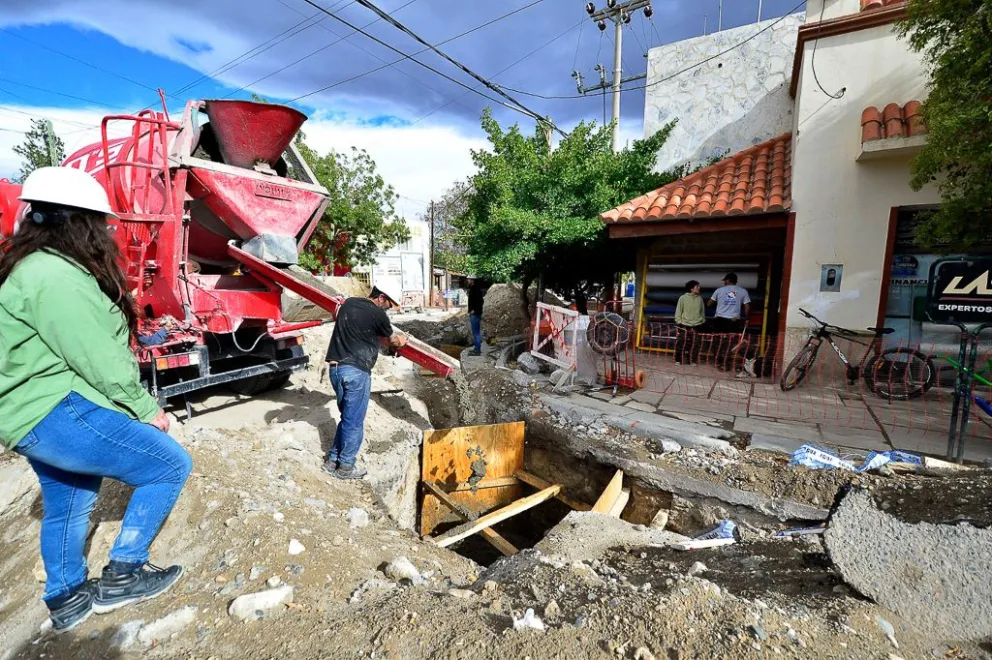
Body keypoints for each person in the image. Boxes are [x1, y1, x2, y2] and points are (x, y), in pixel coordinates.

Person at [0, 167, 192, 633]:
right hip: (53, 407)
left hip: (25, 416)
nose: (108, 232)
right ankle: (125, 572)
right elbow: (97, 356)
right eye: (102, 223)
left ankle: (65, 596)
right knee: (168, 465)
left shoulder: (34, 267)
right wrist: (148, 411)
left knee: (68, 502)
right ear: (79, 223)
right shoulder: (54, 275)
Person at [323, 283, 408, 480]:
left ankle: (332, 461)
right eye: (388, 304)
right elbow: (393, 341)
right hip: (356, 372)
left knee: (347, 418)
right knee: (354, 422)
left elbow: (358, 330)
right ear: (381, 297)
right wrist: (403, 341)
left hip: (336, 369)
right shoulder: (378, 315)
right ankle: (346, 467)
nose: (387, 308)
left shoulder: (348, 304)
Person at [707, 272, 751, 371]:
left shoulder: (719, 290)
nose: (724, 282)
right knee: (731, 343)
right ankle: (726, 364)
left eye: (724, 281)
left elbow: (709, 304)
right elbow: (747, 307)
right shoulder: (743, 291)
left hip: (720, 320)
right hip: (733, 321)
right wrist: (747, 319)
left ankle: (718, 362)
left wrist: (715, 301)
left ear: (727, 280)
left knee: (718, 341)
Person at [674, 280, 705, 366]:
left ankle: (692, 361)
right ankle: (678, 360)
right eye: (697, 286)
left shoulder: (700, 299)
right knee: (681, 343)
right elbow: (678, 311)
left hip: (697, 325)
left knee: (695, 344)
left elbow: (702, 312)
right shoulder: (683, 298)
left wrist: (702, 321)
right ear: (691, 288)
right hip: (684, 325)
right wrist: (679, 322)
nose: (699, 288)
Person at [467, 276, 484, 356]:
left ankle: (477, 350)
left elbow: (480, 301)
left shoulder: (475, 289)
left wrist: (474, 310)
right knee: (475, 332)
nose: (468, 280)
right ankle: (476, 348)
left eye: (469, 279)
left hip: (475, 314)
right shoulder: (473, 289)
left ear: (472, 280)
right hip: (475, 313)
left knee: (476, 332)